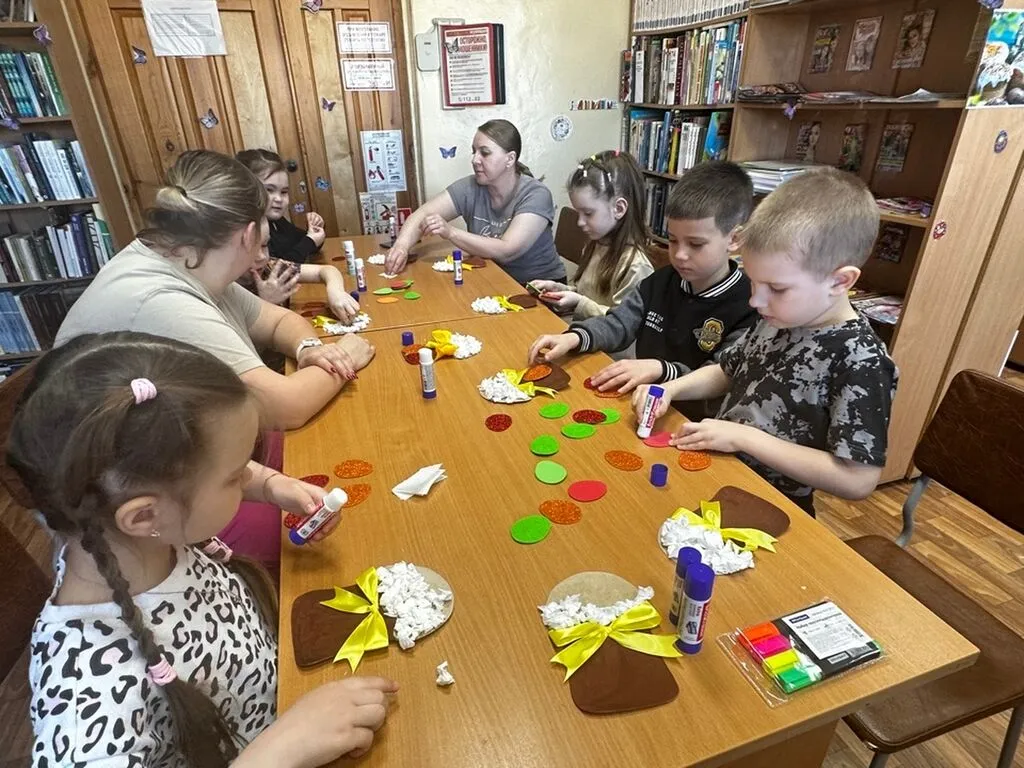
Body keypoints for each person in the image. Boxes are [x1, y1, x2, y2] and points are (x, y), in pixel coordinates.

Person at [11, 332, 397, 768]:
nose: (248, 477)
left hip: (288, 692)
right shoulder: (89, 691)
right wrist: (278, 751)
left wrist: (273, 486)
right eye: (235, 476)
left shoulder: (135, 536)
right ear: (144, 516)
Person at [632, 167, 898, 515]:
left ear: (840, 281)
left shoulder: (861, 359)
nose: (756, 300)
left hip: (773, 506)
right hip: (720, 476)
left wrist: (744, 438)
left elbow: (857, 480)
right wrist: (671, 389)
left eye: (777, 288)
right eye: (754, 282)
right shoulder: (778, 316)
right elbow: (727, 370)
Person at [54, 149, 374, 431]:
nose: (264, 253)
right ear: (248, 235)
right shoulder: (163, 300)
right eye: (262, 241)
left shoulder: (191, 260)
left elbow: (278, 321)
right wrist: (345, 357)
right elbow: (286, 408)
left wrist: (309, 349)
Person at [527, 161, 758, 421]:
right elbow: (619, 323)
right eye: (672, 240)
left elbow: (722, 374)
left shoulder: (748, 305)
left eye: (695, 244)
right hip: (639, 404)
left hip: (691, 421)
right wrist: (575, 337)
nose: (680, 255)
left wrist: (661, 370)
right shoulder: (660, 281)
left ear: (734, 239)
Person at [384, 119, 566, 285]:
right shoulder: (471, 186)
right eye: (474, 151)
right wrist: (401, 246)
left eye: (484, 153)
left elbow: (507, 251)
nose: (475, 160)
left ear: (510, 159)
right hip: (493, 278)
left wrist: (450, 232)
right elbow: (422, 214)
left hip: (538, 287)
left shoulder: (536, 194)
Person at [235, 149, 360, 323]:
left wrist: (336, 291)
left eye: (264, 245)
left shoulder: (270, 261)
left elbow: (325, 268)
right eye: (269, 190)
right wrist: (267, 303)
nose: (262, 256)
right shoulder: (231, 290)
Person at [528, 150, 654, 320]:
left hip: (601, 337)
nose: (580, 222)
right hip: (581, 331)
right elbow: (589, 296)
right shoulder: (596, 245)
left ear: (618, 208)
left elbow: (623, 322)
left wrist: (578, 303)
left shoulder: (636, 267)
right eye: (578, 212)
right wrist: (560, 290)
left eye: (588, 213)